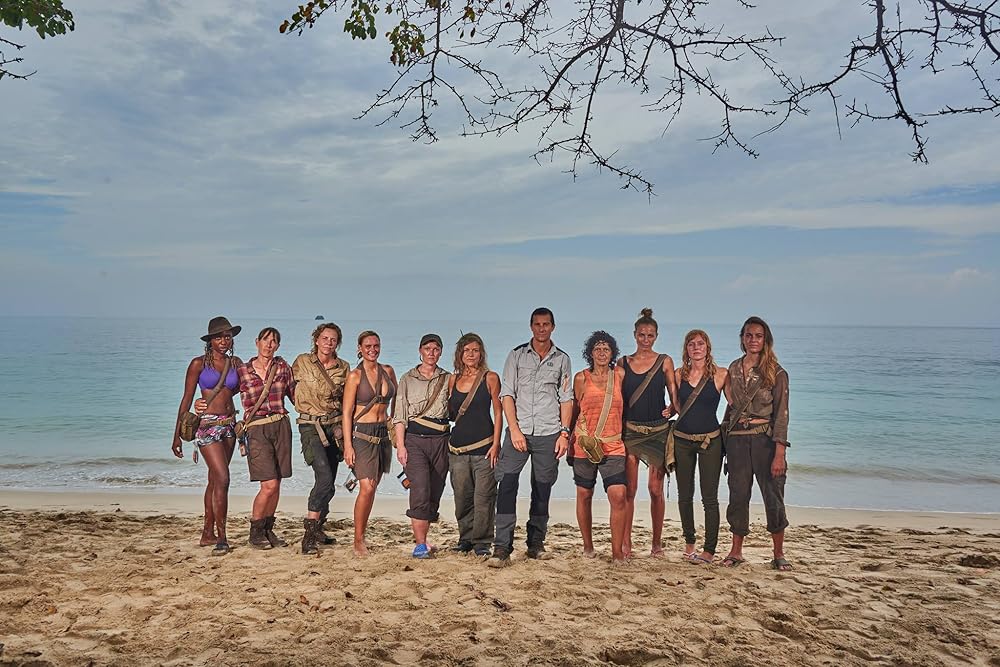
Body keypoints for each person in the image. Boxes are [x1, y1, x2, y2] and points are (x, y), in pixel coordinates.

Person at [489, 307, 573, 567]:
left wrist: (564, 433)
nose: (541, 328)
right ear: (531, 326)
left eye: (546, 324)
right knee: (507, 485)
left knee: (542, 488)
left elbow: (566, 398)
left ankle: (536, 544)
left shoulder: (562, 359)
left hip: (549, 433)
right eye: (537, 324)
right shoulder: (516, 355)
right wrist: (514, 430)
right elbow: (507, 395)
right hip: (519, 431)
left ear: (553, 327)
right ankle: (502, 547)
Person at [720, 316, 791, 570]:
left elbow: (782, 415)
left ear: (765, 340)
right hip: (737, 442)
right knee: (738, 496)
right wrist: (723, 445)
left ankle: (778, 553)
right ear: (742, 338)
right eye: (748, 335)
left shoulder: (776, 372)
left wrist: (779, 453)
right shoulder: (733, 368)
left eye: (758, 336)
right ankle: (736, 551)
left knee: (773, 496)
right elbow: (730, 409)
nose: (753, 340)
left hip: (765, 441)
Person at [171, 316, 241, 556]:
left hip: (229, 426)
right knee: (223, 478)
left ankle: (207, 534)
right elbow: (187, 399)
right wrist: (176, 436)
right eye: (219, 337)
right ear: (210, 340)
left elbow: (239, 390)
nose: (224, 341)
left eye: (227, 337)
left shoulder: (236, 363)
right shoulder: (198, 364)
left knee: (214, 480)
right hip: (207, 426)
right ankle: (222, 537)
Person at [619, 308, 678, 558]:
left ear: (656, 336)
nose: (646, 339)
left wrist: (673, 408)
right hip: (631, 431)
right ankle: (626, 543)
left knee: (655, 490)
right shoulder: (623, 362)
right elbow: (616, 398)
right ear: (635, 335)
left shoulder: (665, 361)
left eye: (650, 335)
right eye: (642, 334)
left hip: (657, 430)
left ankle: (656, 544)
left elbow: (674, 393)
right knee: (629, 490)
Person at [292, 323, 351, 555]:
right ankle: (308, 535)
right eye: (325, 338)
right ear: (316, 340)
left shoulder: (344, 367)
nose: (329, 343)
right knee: (324, 478)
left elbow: (348, 401)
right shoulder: (301, 362)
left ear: (338, 343)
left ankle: (318, 528)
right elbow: (287, 387)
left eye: (333, 339)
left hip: (334, 427)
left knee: (330, 483)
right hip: (310, 426)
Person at [234, 327, 295, 551]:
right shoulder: (242, 370)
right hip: (256, 429)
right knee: (268, 485)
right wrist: (203, 403)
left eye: (274, 341)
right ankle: (255, 532)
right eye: (266, 340)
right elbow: (223, 393)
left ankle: (268, 529)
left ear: (278, 346)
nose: (269, 344)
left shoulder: (283, 367)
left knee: (277, 483)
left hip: (280, 426)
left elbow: (296, 396)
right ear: (257, 342)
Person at [571, 331, 629, 562]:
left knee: (618, 494)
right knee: (584, 494)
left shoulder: (620, 375)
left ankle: (617, 553)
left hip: (613, 444)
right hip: (585, 443)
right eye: (597, 349)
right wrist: (568, 439)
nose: (602, 353)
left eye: (606, 349)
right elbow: (575, 410)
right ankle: (588, 547)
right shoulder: (581, 378)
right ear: (590, 353)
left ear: (612, 353)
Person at [394, 334, 452, 558]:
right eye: (427, 348)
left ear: (441, 352)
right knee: (420, 488)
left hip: (441, 440)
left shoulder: (447, 378)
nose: (431, 353)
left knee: (435, 491)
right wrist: (401, 446)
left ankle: (425, 540)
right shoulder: (407, 378)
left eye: (436, 349)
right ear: (420, 351)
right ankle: (419, 545)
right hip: (414, 440)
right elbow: (400, 415)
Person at [672, 329, 727, 564]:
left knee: (709, 497)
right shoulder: (678, 374)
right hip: (682, 440)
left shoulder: (721, 374)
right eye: (691, 344)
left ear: (708, 347)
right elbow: (676, 405)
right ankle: (689, 545)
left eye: (700, 343)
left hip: (710, 441)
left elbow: (735, 404)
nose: (696, 347)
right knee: (684, 495)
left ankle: (709, 551)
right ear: (686, 349)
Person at [342, 330, 398, 556]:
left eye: (376, 345)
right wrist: (348, 445)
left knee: (373, 487)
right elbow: (346, 413)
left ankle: (362, 535)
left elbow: (397, 400)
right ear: (360, 348)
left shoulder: (388, 371)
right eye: (368, 346)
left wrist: (395, 425)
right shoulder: (355, 376)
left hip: (382, 434)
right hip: (362, 435)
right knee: (366, 487)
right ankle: (357, 540)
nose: (372, 350)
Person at [447, 333, 502, 558]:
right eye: (467, 350)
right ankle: (465, 539)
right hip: (457, 451)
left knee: (484, 498)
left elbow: (498, 412)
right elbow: (449, 414)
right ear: (460, 354)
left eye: (475, 350)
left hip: (484, 448)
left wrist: (497, 443)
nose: (471, 354)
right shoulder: (453, 380)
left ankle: (482, 542)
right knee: (462, 498)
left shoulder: (490, 378)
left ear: (481, 354)